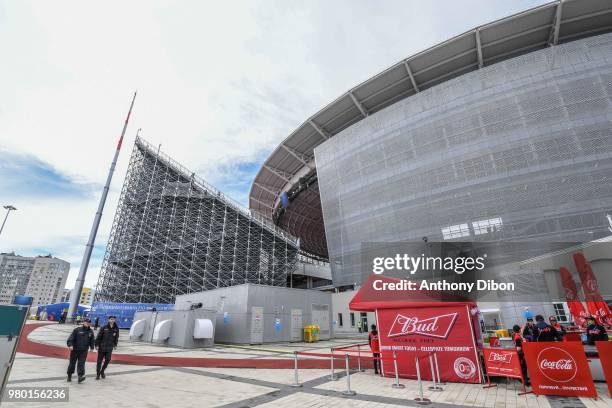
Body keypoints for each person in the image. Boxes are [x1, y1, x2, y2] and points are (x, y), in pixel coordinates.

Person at [66, 318, 95, 383]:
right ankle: (69, 376)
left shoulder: (91, 331)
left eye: (89, 323)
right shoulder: (77, 330)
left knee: (81, 363)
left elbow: (92, 340)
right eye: (86, 322)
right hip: (75, 350)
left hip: (84, 350)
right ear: (84, 322)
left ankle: (80, 376)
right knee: (72, 363)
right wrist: (70, 345)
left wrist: (92, 347)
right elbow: (71, 338)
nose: (88, 323)